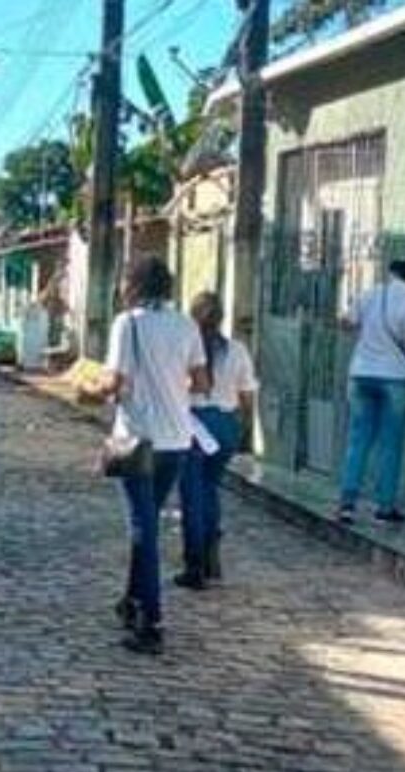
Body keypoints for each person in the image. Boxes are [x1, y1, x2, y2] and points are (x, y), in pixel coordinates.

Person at [92, 257, 209, 655]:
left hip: (136, 440)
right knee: (146, 522)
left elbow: (113, 382)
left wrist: (91, 386)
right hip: (176, 441)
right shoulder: (187, 325)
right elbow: (202, 382)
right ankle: (132, 600)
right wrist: (170, 389)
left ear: (134, 286)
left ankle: (152, 622)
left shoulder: (128, 323)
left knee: (144, 531)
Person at [337, 255, 405, 527]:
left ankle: (347, 505)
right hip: (396, 379)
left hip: (361, 374)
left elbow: (346, 323)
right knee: (390, 444)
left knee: (358, 440)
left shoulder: (373, 294)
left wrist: (368, 336)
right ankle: (384, 508)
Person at [178, 292, 257, 590]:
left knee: (191, 496)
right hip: (226, 426)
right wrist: (243, 431)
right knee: (210, 490)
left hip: (194, 426)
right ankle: (212, 558)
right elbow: (247, 396)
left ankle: (195, 563)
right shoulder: (238, 350)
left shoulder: (185, 349)